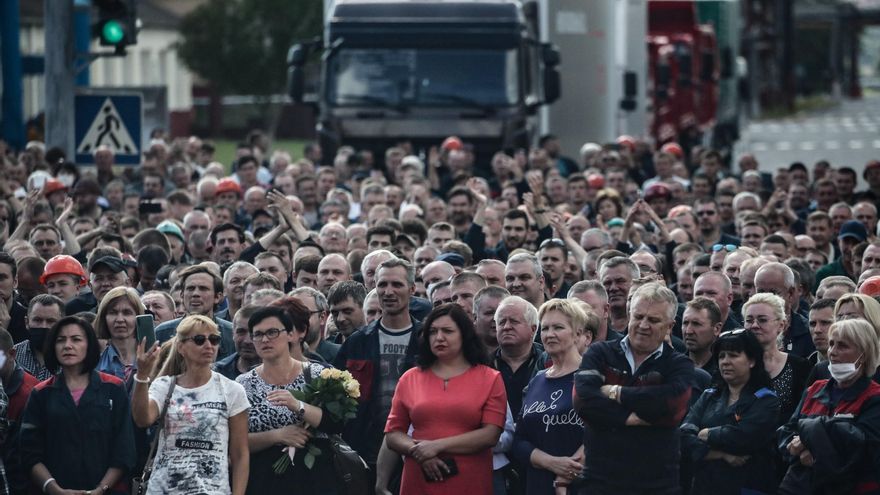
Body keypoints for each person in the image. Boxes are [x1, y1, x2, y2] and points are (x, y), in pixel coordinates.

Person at [574, 283, 693, 495]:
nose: (643, 325)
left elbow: (672, 406)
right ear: (629, 315)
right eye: (638, 316)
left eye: (653, 320)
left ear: (669, 326)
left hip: (658, 486)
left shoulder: (679, 364)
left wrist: (614, 393)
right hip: (599, 483)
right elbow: (583, 402)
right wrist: (631, 417)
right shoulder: (600, 353)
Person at [384, 304, 506, 494]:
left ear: (464, 335)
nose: (439, 337)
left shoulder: (490, 378)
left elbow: (490, 435)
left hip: (470, 479)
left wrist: (436, 446)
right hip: (419, 476)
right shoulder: (410, 378)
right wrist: (420, 454)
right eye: (433, 331)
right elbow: (392, 434)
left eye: (447, 331)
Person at [132, 315, 250, 494]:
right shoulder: (164, 385)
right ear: (181, 347)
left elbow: (240, 454)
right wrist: (142, 375)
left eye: (214, 339)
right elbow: (142, 419)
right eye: (199, 340)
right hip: (164, 489)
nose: (209, 345)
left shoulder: (232, 390)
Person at [20, 316, 136, 494]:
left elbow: (124, 448)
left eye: (76, 339)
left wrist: (100, 489)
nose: (67, 345)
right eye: (60, 340)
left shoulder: (113, 387)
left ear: (89, 345)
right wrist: (54, 489)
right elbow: (29, 452)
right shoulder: (41, 393)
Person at [236, 306, 344, 494]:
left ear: (291, 335)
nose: (265, 339)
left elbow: (336, 423)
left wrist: (298, 405)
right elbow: (236, 441)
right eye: (258, 334)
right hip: (264, 480)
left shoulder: (318, 374)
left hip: (315, 478)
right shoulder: (242, 384)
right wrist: (276, 436)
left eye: (272, 332)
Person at [333, 258, 422, 470]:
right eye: (382, 284)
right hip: (364, 447)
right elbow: (335, 397)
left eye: (397, 284)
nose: (389, 291)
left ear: (412, 289)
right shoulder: (357, 341)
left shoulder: (427, 339)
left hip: (416, 444)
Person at [777, 319, 880, 494]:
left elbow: (863, 448)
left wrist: (813, 444)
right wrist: (794, 449)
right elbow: (786, 432)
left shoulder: (874, 397)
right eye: (831, 344)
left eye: (843, 346)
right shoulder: (814, 389)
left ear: (864, 353)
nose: (833, 352)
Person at [680, 330, 781, 495]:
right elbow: (683, 437)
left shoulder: (766, 400)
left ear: (752, 361)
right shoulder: (709, 395)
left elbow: (743, 437)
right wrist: (719, 454)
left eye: (733, 355)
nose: (725, 362)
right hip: (705, 485)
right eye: (721, 356)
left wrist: (706, 433)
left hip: (747, 485)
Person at [512, 299, 590, 494]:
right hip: (538, 484)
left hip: (582, 485)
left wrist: (565, 474)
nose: (550, 334)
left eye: (558, 327)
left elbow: (605, 432)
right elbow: (519, 440)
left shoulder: (592, 376)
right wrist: (552, 463)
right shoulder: (537, 381)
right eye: (545, 328)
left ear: (577, 334)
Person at [742, 293, 812, 425]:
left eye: (762, 320)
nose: (754, 325)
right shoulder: (732, 363)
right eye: (749, 320)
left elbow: (802, 414)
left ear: (781, 325)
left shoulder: (799, 366)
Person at [94, 286, 145, 386]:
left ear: (138, 316)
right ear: (104, 318)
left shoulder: (154, 358)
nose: (120, 319)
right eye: (113, 313)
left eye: (127, 313)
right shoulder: (94, 363)